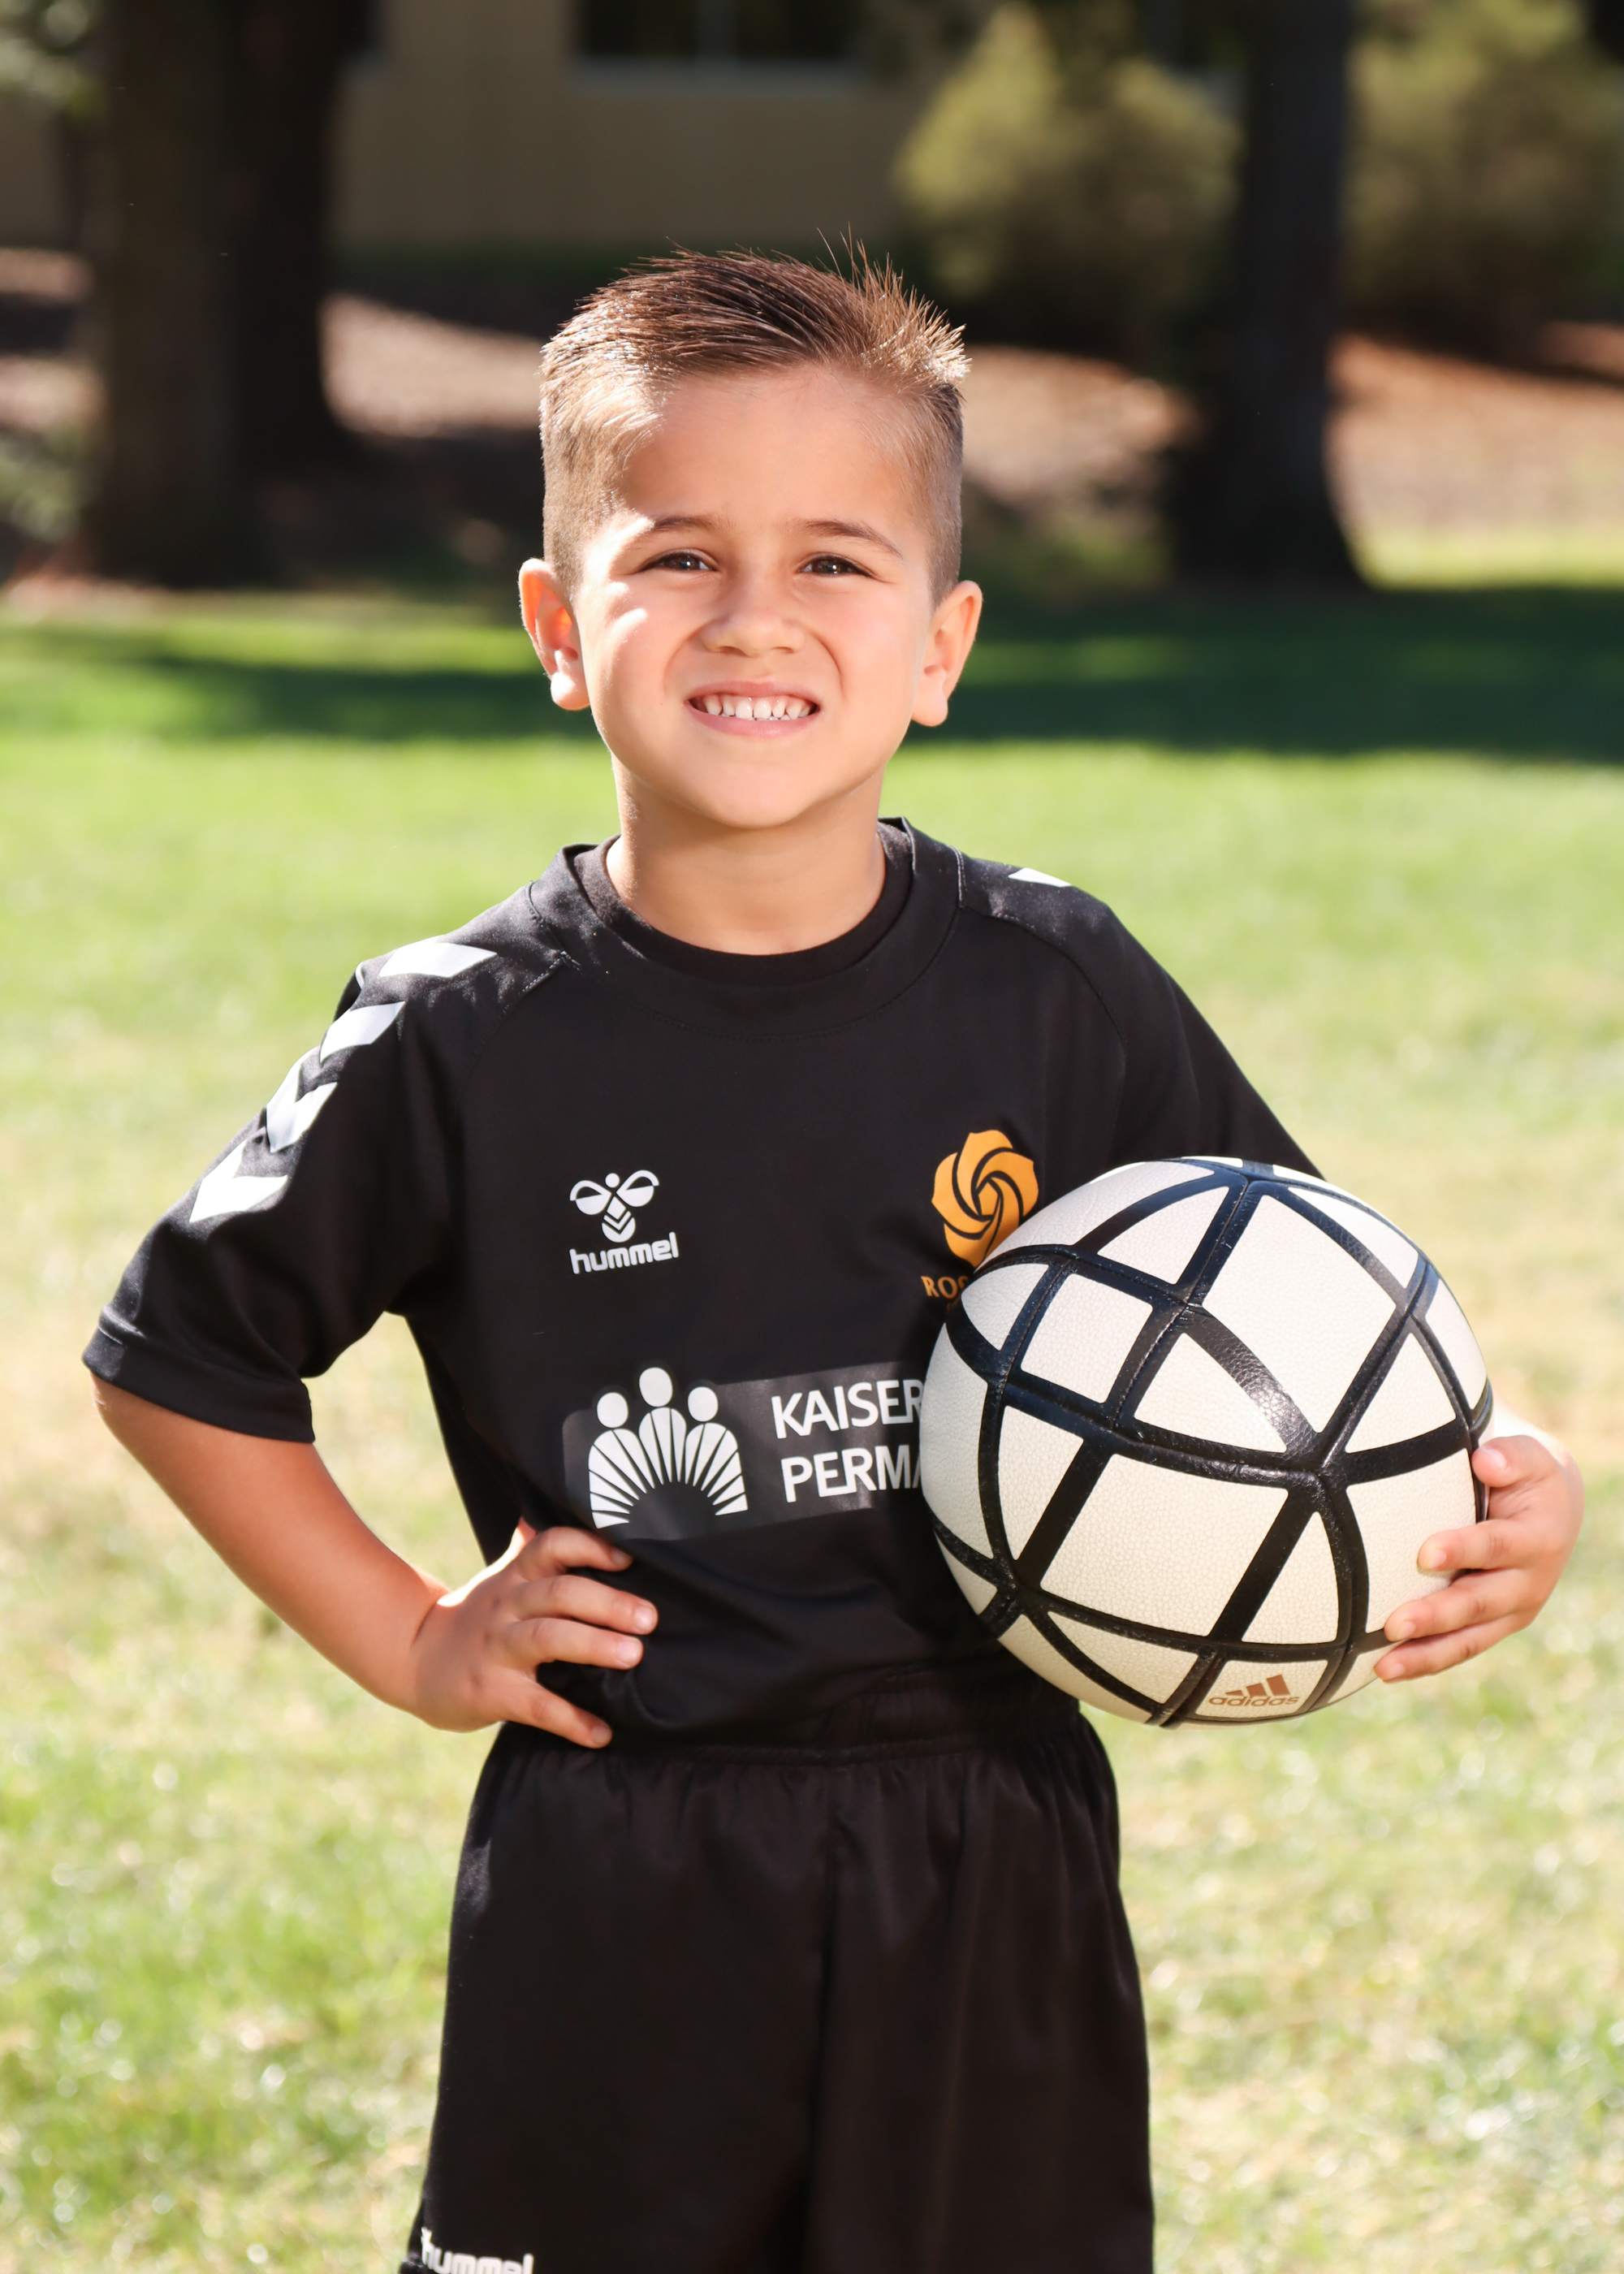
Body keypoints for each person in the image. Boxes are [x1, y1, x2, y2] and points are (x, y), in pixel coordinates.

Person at [84, 252, 1583, 2274]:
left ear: (941, 643)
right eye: (677, 555)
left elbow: (1308, 1303)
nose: (755, 615)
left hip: (992, 1840)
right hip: (630, 1844)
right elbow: (181, 1358)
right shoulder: (465, 1037)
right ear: (558, 627)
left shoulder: (1057, 986)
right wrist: (417, 1637)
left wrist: (1499, 1467)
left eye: (834, 561)